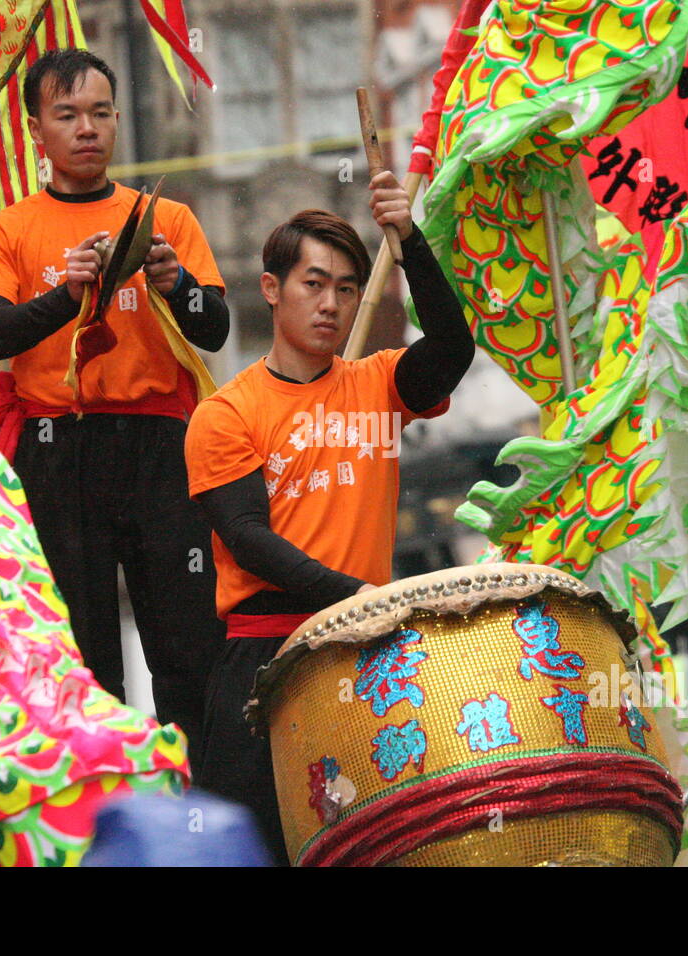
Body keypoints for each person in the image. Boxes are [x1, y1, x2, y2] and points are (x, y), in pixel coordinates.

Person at [183, 172, 475, 862]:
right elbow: (250, 541)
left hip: (368, 653)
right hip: (268, 659)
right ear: (272, 288)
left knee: (376, 845)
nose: (331, 303)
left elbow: (454, 348)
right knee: (257, 851)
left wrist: (408, 239)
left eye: (346, 288)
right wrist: (353, 599)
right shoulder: (225, 415)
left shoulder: (378, 384)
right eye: (313, 284)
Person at [0, 49, 227, 767]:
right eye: (68, 114)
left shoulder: (164, 217)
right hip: (56, 450)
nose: (88, 128)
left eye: (101, 113)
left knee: (187, 641)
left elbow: (215, 326)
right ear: (35, 131)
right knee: (80, 652)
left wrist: (174, 284)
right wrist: (63, 295)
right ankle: (100, 809)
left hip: (159, 448)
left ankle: (207, 808)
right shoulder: (6, 230)